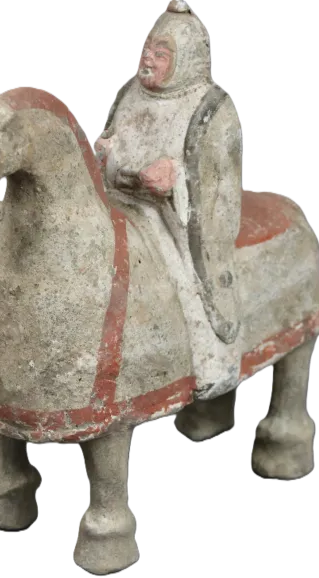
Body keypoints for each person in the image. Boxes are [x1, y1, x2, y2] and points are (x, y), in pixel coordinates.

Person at [93, 0, 243, 399]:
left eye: (161, 54)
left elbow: (219, 182)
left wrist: (177, 177)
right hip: (117, 197)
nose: (147, 60)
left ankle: (206, 358)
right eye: (147, 49)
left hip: (168, 215)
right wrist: (107, 152)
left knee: (181, 275)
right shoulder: (132, 92)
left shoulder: (211, 109)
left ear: (187, 60)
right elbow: (115, 138)